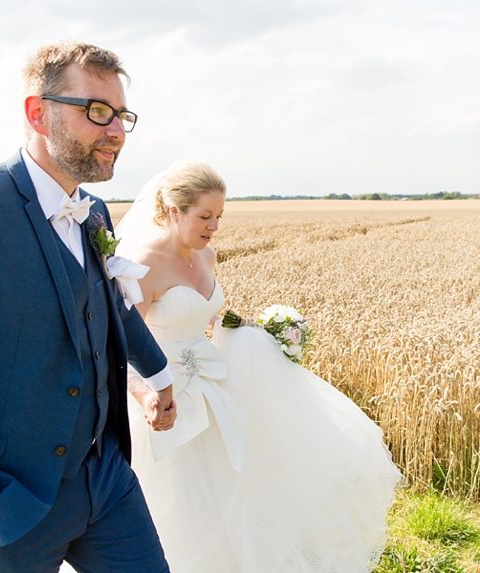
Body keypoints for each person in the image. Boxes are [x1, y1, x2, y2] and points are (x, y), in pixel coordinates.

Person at [0, 41, 177, 573]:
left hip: (106, 479)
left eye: (121, 116)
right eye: (96, 111)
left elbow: (110, 309)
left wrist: (157, 374)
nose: (115, 131)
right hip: (8, 501)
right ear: (37, 113)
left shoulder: (94, 215)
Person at [115, 161, 403, 573]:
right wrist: (146, 394)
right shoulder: (145, 263)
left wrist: (257, 333)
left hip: (216, 391)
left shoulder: (206, 255)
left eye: (220, 216)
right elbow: (121, 343)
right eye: (205, 216)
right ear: (175, 211)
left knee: (232, 502)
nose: (214, 226)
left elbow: (207, 317)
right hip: (165, 402)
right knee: (179, 506)